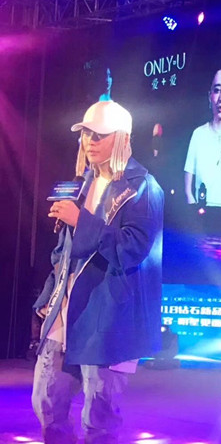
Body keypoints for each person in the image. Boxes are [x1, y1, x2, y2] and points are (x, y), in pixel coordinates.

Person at [32, 100, 164, 443]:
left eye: (99, 135)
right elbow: (63, 252)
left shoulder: (143, 187)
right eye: (86, 133)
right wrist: (49, 296)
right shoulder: (82, 182)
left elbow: (133, 249)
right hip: (67, 311)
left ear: (122, 138)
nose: (89, 141)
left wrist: (82, 221)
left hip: (108, 317)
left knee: (99, 416)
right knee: (47, 401)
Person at [184, 69, 221, 207]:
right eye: (217, 90)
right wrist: (194, 212)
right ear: (210, 96)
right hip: (201, 214)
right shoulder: (198, 135)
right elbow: (187, 189)